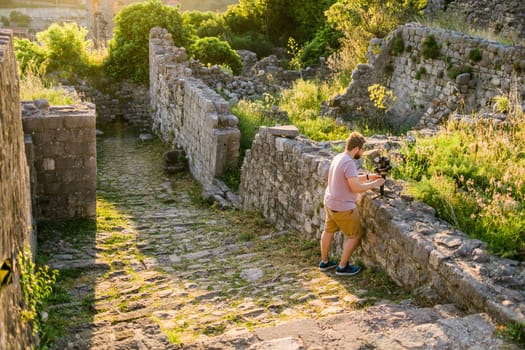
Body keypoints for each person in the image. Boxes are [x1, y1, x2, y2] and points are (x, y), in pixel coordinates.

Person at [319, 131, 385, 276]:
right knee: (355, 235)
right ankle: (342, 267)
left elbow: (350, 179)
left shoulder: (339, 157)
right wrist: (376, 182)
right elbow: (355, 187)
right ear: (356, 149)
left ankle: (324, 262)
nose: (362, 153)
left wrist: (368, 176)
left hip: (330, 202)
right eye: (362, 150)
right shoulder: (349, 163)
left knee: (328, 231)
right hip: (342, 207)